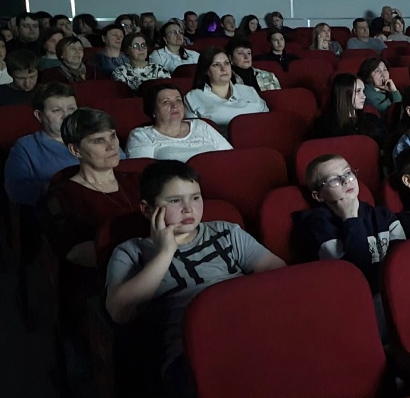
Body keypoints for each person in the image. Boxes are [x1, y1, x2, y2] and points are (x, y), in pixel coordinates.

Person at [106, 160, 284, 397]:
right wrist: (165, 253)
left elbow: (279, 276)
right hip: (191, 350)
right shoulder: (131, 252)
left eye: (196, 197)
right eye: (175, 200)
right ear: (148, 209)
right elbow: (120, 311)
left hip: (249, 327)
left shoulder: (227, 232)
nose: (188, 209)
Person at [292, 154, 405, 286]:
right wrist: (350, 217)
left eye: (347, 173)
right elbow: (356, 271)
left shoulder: (383, 215)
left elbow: (402, 264)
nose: (345, 181)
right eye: (333, 180)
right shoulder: (319, 226)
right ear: (318, 196)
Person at [47, 108, 137, 267]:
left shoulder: (137, 179)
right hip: (106, 273)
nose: (111, 146)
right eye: (98, 140)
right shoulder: (63, 195)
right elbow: (73, 251)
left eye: (112, 136)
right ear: (75, 150)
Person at [3, 83, 82, 206]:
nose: (67, 116)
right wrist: (55, 189)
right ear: (39, 115)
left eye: (71, 109)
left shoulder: (93, 137)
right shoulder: (26, 147)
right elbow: (16, 190)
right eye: (57, 110)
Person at [127, 83, 232, 162]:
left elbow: (230, 156)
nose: (174, 106)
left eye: (178, 100)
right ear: (153, 110)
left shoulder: (202, 126)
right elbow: (144, 174)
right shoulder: (141, 136)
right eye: (166, 102)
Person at [183, 47, 269, 132]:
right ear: (205, 70)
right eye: (216, 65)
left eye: (226, 63)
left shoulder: (249, 91)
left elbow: (267, 120)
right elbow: (196, 133)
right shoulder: (193, 98)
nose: (223, 68)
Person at [313, 73, 388, 147]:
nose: (364, 96)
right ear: (344, 94)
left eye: (363, 91)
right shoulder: (323, 126)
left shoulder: (372, 120)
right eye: (358, 91)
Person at [0, 50, 38, 133]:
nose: (27, 83)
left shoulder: (43, 92)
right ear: (10, 74)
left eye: (32, 77)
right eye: (20, 78)